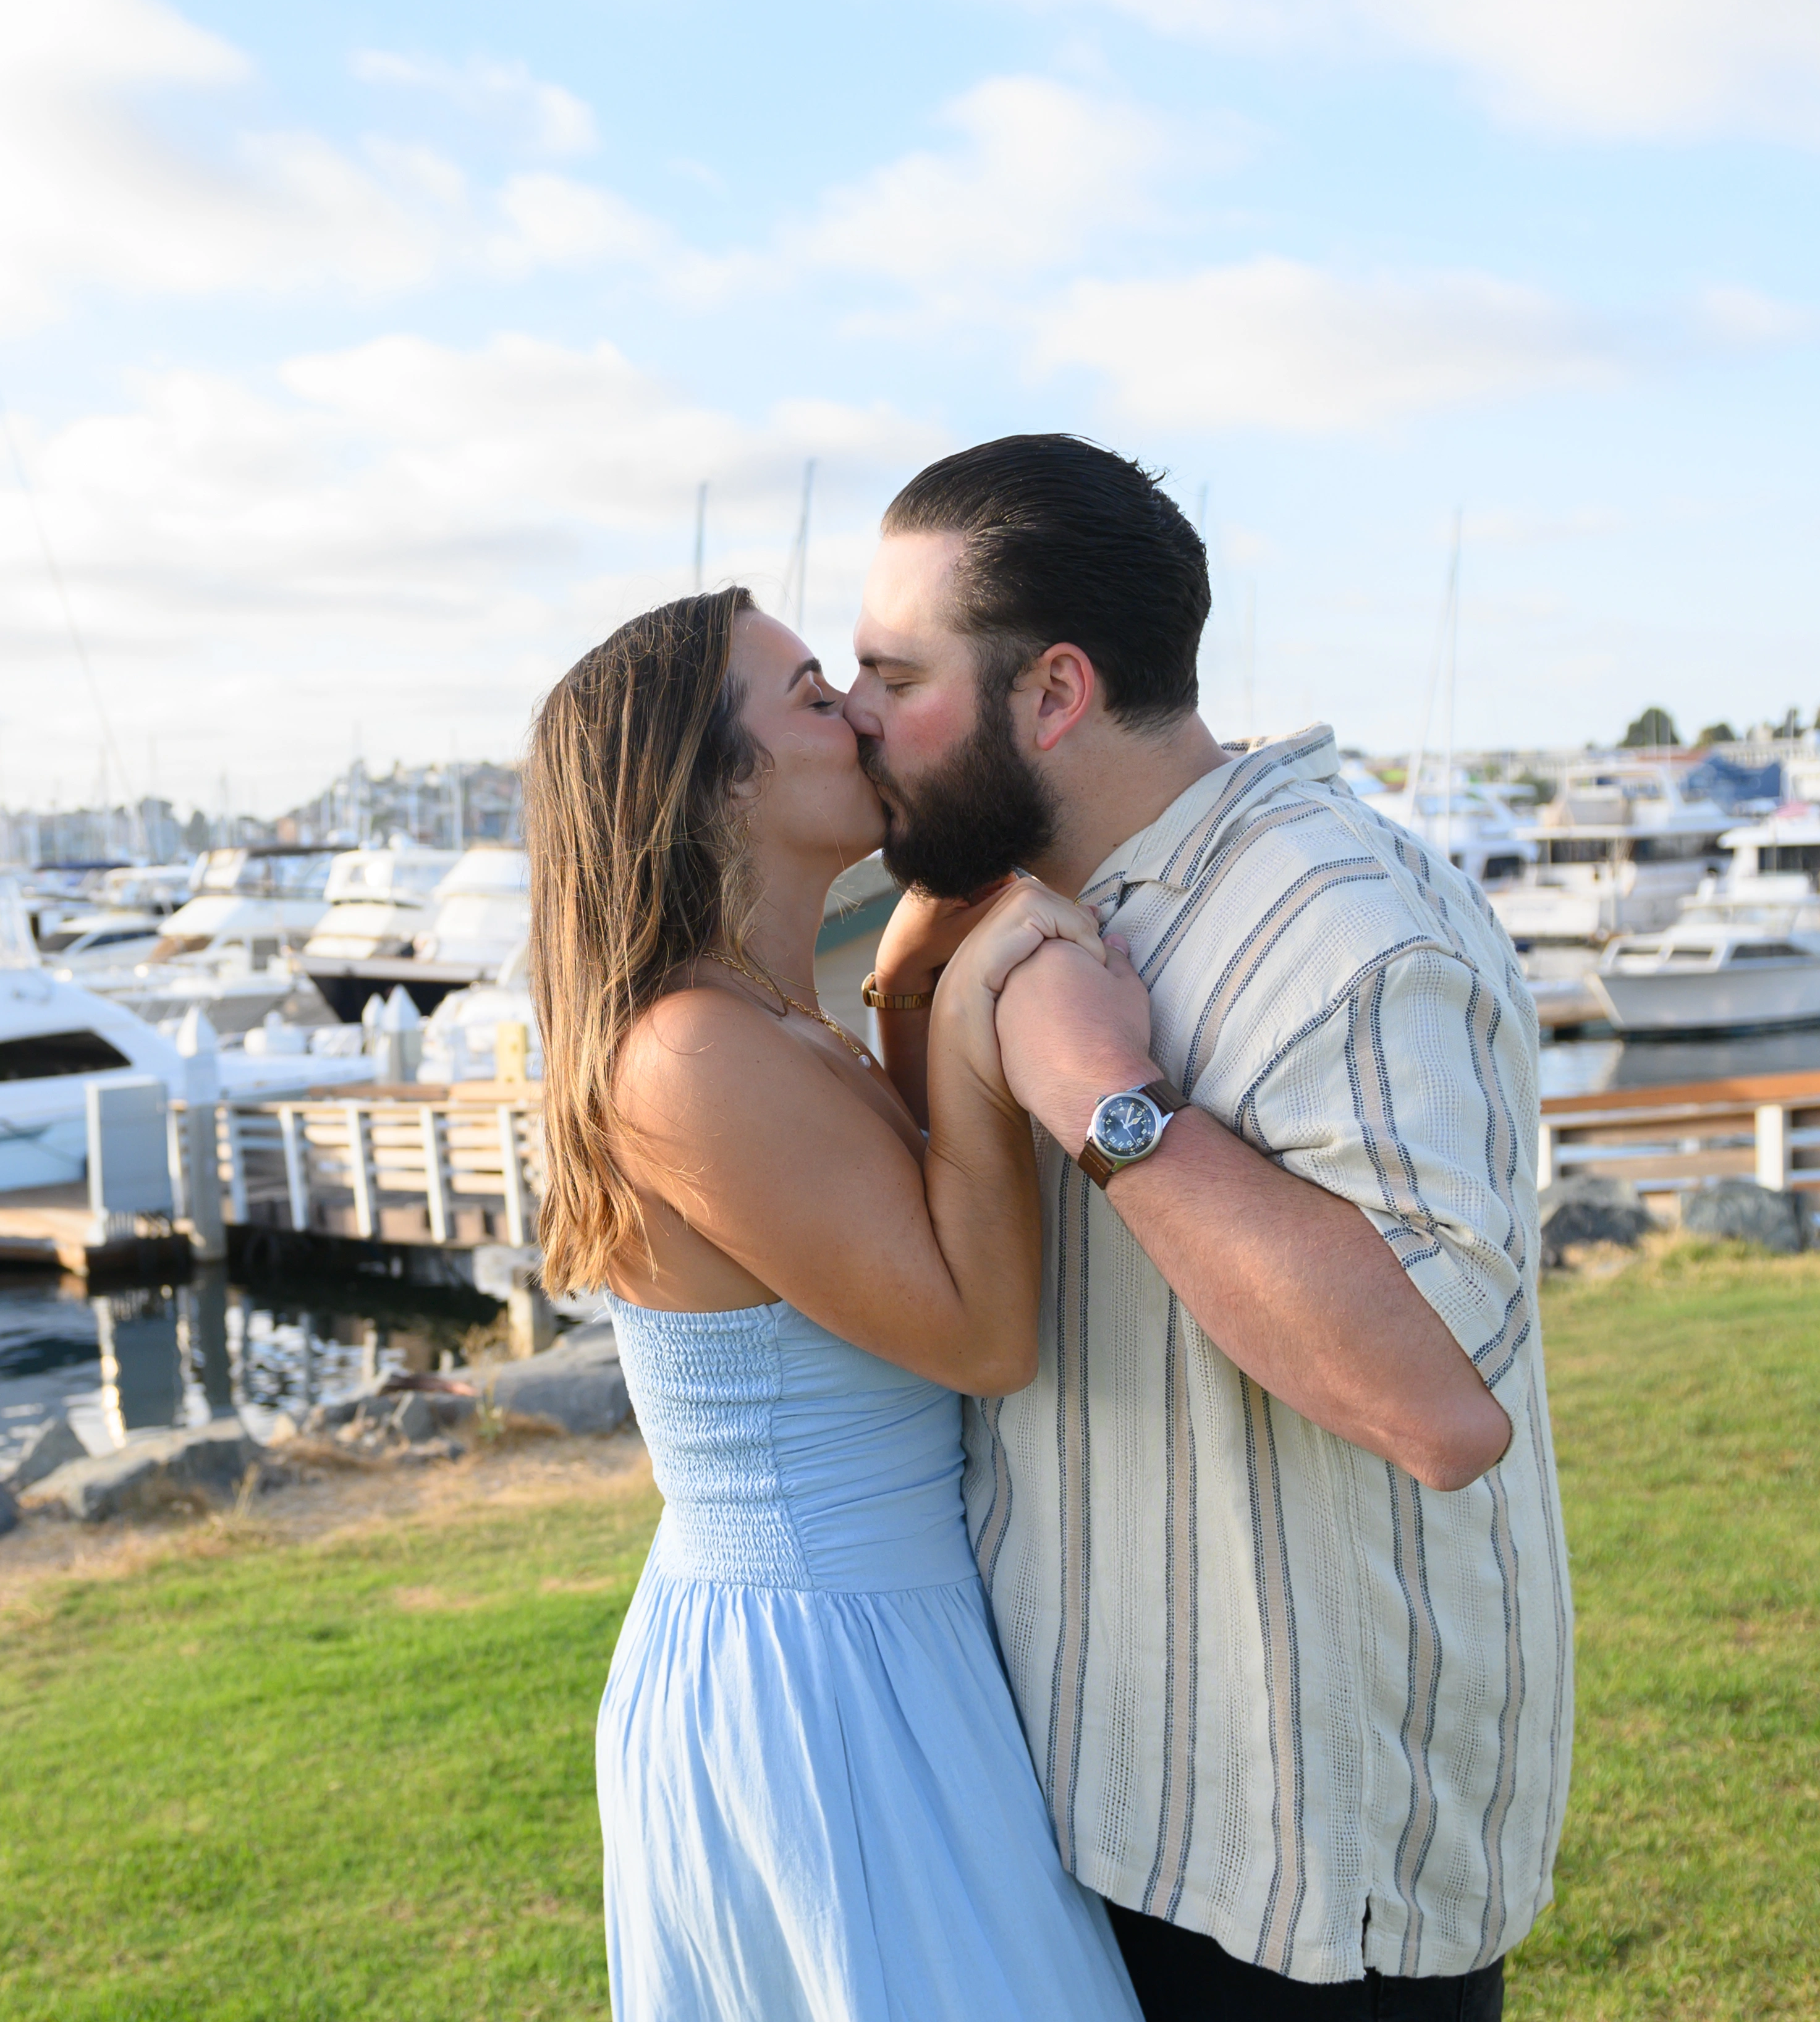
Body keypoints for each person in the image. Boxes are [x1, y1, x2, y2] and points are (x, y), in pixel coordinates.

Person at [844, 434, 1574, 2021]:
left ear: (1050, 694)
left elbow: (1438, 1403)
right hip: (1103, 1809)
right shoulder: (1036, 910)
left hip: (1303, 1871)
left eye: (893, 677)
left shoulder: (1341, 925)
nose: (854, 719)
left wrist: (1118, 1109)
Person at [525, 586, 1145, 2022]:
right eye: (810, 693)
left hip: (875, 1636)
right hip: (818, 1677)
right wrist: (984, 1009)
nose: (858, 712)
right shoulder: (688, 1053)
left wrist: (913, 998)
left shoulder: (770, 1019)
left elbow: (911, 1233)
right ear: (708, 784)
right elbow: (979, 1334)